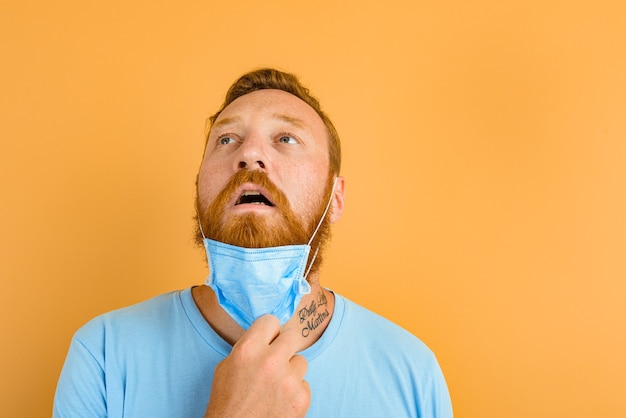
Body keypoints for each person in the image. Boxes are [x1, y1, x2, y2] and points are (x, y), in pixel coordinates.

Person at [53, 68, 453, 418]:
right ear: (199, 187)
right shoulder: (102, 355)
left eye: (286, 138)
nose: (250, 154)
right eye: (226, 139)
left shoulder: (413, 372)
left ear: (336, 197)